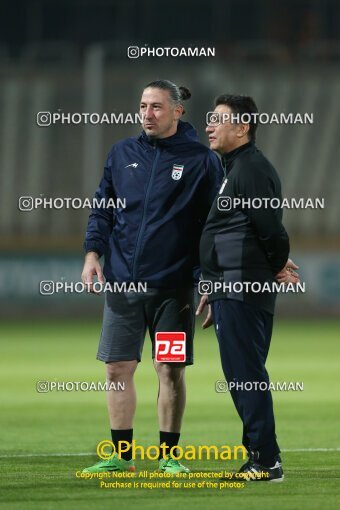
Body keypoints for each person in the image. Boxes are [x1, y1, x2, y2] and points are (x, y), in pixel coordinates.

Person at [81, 80, 223, 474]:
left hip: (173, 288)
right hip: (123, 284)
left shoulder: (201, 160)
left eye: (157, 106)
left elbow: (214, 224)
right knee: (116, 369)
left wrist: (208, 278)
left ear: (178, 111)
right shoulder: (121, 153)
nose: (147, 113)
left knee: (169, 370)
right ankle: (121, 457)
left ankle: (169, 457)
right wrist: (93, 253)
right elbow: (102, 211)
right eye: (143, 105)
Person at [197, 94, 300, 482]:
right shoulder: (234, 169)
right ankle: (258, 455)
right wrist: (211, 282)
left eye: (218, 120)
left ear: (243, 128)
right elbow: (233, 233)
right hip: (230, 286)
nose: (209, 126)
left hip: (242, 288)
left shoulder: (251, 168)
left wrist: (275, 265)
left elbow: (271, 229)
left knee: (245, 373)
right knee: (241, 373)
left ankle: (266, 460)